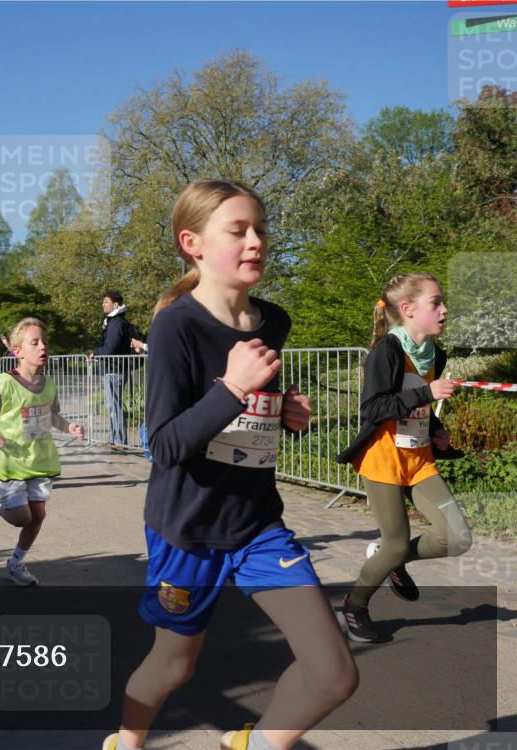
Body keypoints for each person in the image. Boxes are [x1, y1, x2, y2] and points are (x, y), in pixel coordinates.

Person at [105, 180, 357, 750]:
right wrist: (233, 388)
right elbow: (165, 444)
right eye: (237, 230)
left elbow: (248, 419)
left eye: (261, 230)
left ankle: (251, 744)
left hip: (258, 527)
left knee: (334, 673)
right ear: (191, 243)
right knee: (174, 667)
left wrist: (285, 410)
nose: (255, 242)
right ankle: (126, 742)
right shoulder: (176, 325)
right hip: (188, 530)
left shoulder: (275, 321)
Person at [336, 273, 473, 643]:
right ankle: (354, 605)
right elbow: (375, 407)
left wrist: (438, 428)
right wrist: (427, 394)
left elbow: (418, 403)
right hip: (383, 459)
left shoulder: (435, 354)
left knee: (457, 537)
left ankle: (393, 561)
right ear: (409, 310)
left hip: (420, 458)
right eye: (436, 303)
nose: (445, 310)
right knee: (396, 542)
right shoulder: (387, 351)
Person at [0, 318, 85, 586]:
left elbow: (52, 415)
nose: (42, 346)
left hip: (40, 458)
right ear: (17, 350)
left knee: (38, 517)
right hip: (10, 459)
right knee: (22, 517)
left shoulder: (48, 383)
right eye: (34, 342)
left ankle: (15, 563)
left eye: (44, 342)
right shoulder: (4, 383)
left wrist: (69, 426)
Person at [90, 290, 134, 450]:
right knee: (113, 405)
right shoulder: (115, 322)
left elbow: (110, 348)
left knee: (113, 406)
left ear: (115, 305)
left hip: (115, 369)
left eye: (106, 302)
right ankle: (116, 439)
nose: (103, 304)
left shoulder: (116, 323)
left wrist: (95, 352)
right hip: (115, 369)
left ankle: (119, 441)